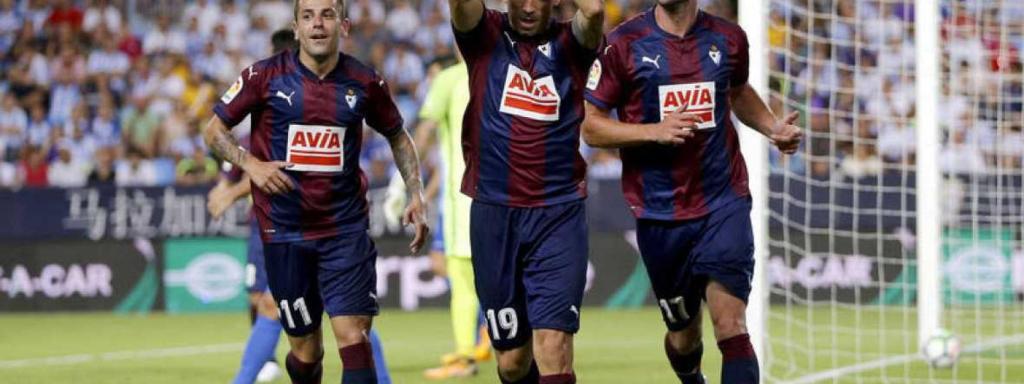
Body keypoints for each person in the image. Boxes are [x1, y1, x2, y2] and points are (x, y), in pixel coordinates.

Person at [202, 1, 429, 383]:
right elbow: (213, 130)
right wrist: (252, 164)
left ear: (344, 25)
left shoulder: (365, 81)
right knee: (306, 351)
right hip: (284, 233)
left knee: (354, 336)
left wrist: (416, 193)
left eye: (326, 15)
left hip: (345, 231)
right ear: (295, 27)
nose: (317, 24)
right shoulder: (264, 76)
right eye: (308, 16)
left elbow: (398, 136)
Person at [581, 1, 803, 383]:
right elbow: (591, 126)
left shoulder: (729, 38)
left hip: (723, 200)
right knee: (684, 338)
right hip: (659, 213)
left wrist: (772, 127)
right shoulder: (623, 43)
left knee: (731, 323)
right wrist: (654, 130)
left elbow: (736, 90)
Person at [445, 1, 603, 383]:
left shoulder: (573, 42)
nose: (529, 7)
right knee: (512, 362)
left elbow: (595, 10)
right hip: (495, 214)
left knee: (553, 346)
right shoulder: (485, 36)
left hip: (558, 213)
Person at [413, 54, 493, 379]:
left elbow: (423, 131)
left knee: (463, 285)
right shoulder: (509, 69)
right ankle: (509, 343)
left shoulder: (450, 78)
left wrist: (402, 179)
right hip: (511, 197)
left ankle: (465, 356)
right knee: (503, 277)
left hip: (465, 201)